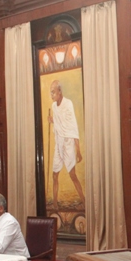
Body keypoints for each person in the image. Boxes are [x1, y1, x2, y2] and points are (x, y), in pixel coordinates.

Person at [48, 80, 85, 208]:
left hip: (68, 143)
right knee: (54, 175)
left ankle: (84, 202)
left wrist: (78, 150)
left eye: (53, 92)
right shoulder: (53, 106)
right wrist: (52, 120)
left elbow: (72, 126)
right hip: (58, 143)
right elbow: (59, 121)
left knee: (72, 174)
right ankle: (54, 204)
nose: (51, 95)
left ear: (59, 91)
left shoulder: (68, 104)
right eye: (50, 92)